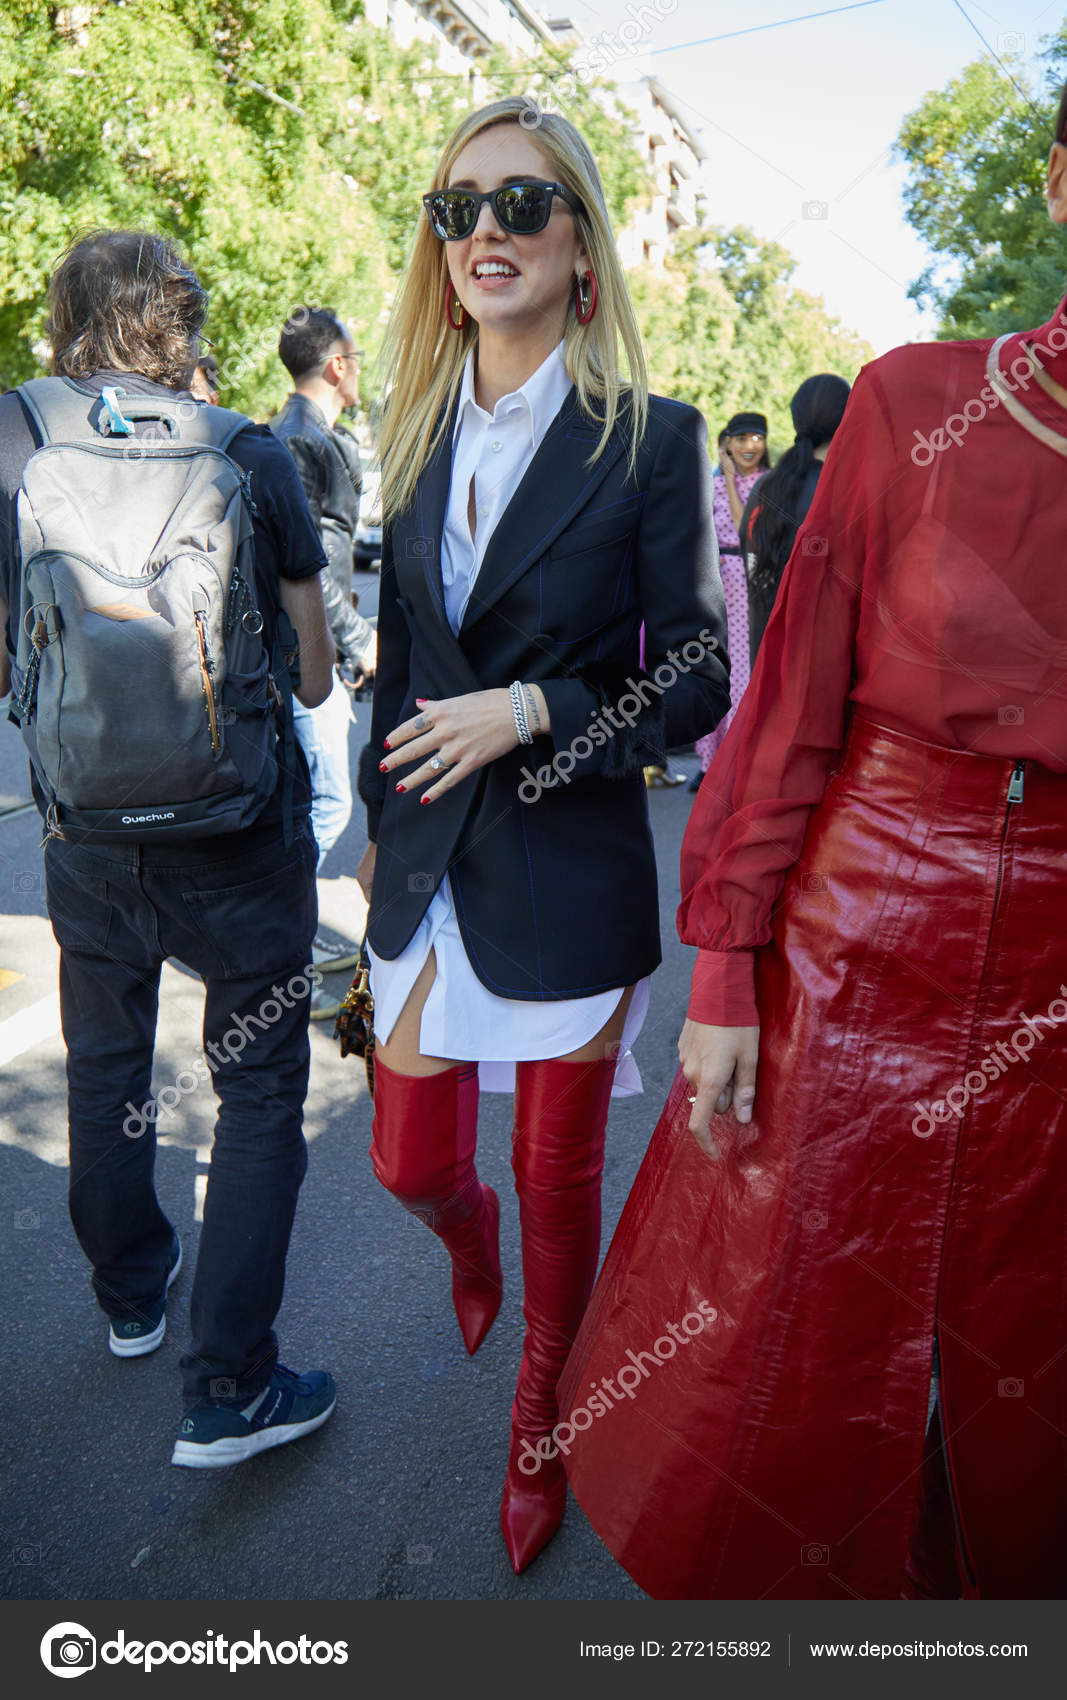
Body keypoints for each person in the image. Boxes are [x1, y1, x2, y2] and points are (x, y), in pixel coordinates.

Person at [555, 93, 1067, 1602]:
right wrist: (725, 965)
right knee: (787, 1344)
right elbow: (787, 701)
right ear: (1055, 184)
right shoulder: (914, 403)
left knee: (1026, 1366)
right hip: (858, 935)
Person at [355, 97, 727, 1574]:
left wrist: (533, 710)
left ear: (579, 244)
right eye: (457, 209)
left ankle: (539, 1419)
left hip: (564, 865)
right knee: (406, 1163)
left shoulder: (649, 438)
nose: (484, 232)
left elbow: (694, 673)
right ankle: (468, 1243)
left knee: (557, 1176)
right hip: (423, 859)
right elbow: (395, 667)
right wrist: (373, 828)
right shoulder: (407, 433)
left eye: (520, 204)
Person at [0, 230, 338, 1466]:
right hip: (239, 830)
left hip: (89, 834)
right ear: (183, 325)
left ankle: (132, 1295)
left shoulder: (14, 432)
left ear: (65, 317)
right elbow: (312, 674)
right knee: (257, 1087)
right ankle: (230, 1386)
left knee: (105, 1066)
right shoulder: (250, 450)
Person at [271, 308, 378, 1015]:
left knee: (315, 801)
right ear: (337, 364)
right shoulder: (300, 440)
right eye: (356, 357)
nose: (360, 369)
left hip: (316, 650)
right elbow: (306, 564)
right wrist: (358, 639)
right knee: (327, 802)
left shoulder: (304, 434)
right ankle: (280, 947)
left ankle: (289, 935)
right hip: (307, 657)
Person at [741, 374, 850, 662]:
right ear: (849, 419)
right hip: (822, 664)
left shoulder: (764, 487)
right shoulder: (841, 492)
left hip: (766, 660)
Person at [689, 412, 770, 790]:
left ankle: (737, 763)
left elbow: (744, 527)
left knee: (741, 676)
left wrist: (733, 481)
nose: (749, 445)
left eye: (757, 437)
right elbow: (694, 526)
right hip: (712, 583)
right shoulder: (710, 483)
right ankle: (709, 764)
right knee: (710, 669)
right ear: (727, 444)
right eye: (740, 438)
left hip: (747, 583)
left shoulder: (767, 483)